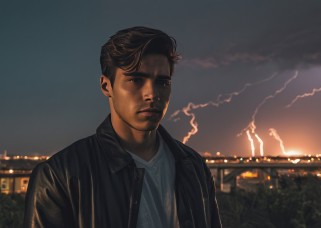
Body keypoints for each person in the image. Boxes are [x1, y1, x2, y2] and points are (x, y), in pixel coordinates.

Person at [23, 26, 221, 228]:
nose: (151, 94)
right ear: (106, 86)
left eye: (162, 82)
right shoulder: (59, 176)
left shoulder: (194, 167)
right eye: (136, 80)